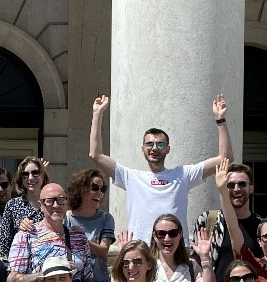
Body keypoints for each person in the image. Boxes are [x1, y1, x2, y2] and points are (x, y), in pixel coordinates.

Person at [88, 93, 233, 238]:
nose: (154, 148)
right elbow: (96, 155)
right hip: (143, 253)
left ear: (167, 149)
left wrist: (220, 120)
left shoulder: (183, 174)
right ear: (142, 149)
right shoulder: (130, 177)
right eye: (149, 144)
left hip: (175, 252)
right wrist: (97, 115)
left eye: (160, 144)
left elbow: (225, 158)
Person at [6, 182, 92, 282]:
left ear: (66, 203)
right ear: (41, 205)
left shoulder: (79, 238)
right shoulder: (26, 235)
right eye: (50, 201)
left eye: (60, 200)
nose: (56, 205)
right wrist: (49, 273)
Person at [65, 168, 116, 282]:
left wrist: (82, 239)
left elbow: (103, 251)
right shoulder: (67, 219)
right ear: (81, 190)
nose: (100, 193)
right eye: (95, 188)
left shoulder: (106, 219)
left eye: (102, 189)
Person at [0, 157, 50, 259]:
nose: (30, 178)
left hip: (48, 265)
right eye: (25, 174)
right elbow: (4, 246)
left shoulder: (52, 203)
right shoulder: (12, 205)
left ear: (43, 175)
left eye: (35, 173)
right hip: (20, 268)